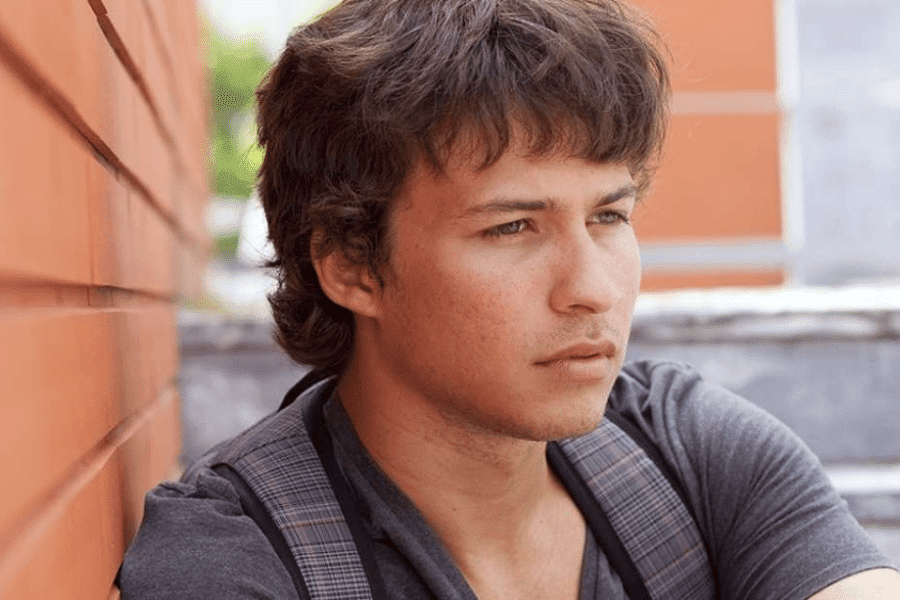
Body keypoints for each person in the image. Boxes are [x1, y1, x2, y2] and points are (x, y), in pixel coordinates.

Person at [119, 0, 899, 597]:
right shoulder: (234, 557)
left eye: (609, 216)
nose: (592, 288)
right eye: (513, 228)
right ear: (351, 263)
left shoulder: (685, 449)